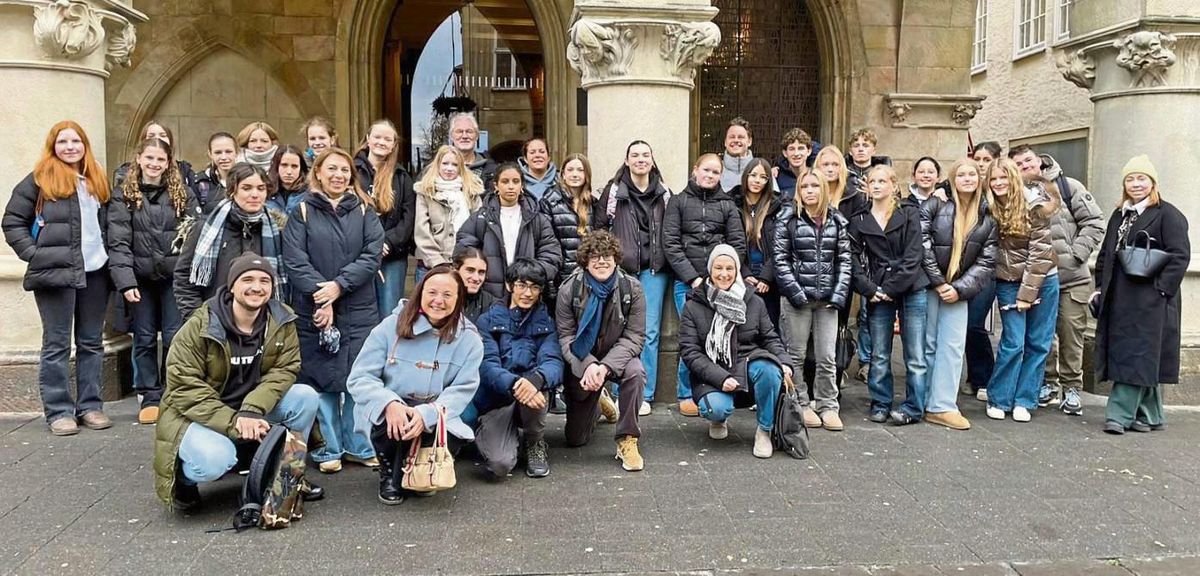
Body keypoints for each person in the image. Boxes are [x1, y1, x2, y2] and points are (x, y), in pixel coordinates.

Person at [152, 254, 322, 510]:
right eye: (248, 279)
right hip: (196, 414)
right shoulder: (199, 326)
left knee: (305, 396)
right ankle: (184, 481)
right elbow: (184, 388)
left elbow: (285, 369)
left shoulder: (281, 320)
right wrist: (234, 423)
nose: (257, 287)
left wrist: (251, 409)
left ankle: (288, 475)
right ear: (232, 286)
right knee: (215, 460)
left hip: (249, 408)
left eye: (265, 280)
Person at [2, 120, 113, 436]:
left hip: (95, 273)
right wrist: (34, 254)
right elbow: (12, 221)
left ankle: (91, 406)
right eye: (62, 141)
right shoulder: (40, 179)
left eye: (75, 141)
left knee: (92, 343)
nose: (69, 147)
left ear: (84, 145)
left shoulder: (96, 179)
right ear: (53, 146)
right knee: (57, 343)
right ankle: (59, 411)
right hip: (55, 274)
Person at [282, 148, 384, 473]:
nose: (339, 175)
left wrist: (339, 286)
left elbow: (372, 256)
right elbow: (295, 260)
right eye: (332, 169)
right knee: (320, 378)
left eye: (344, 170)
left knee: (357, 376)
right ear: (319, 173)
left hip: (359, 306)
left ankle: (358, 445)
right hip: (314, 307)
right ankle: (328, 449)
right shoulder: (301, 211)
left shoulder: (366, 211)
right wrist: (321, 297)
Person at [347, 264, 483, 505]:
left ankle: (421, 467)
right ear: (420, 292)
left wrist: (427, 414)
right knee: (393, 422)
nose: (438, 301)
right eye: (432, 292)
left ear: (459, 298)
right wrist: (389, 403)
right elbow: (360, 377)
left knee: (438, 434)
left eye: (447, 295)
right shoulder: (390, 327)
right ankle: (390, 473)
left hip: (436, 411)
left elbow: (462, 390)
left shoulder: (470, 339)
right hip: (392, 410)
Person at [1093, 155, 1190, 434]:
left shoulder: (1167, 213)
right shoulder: (1119, 214)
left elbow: (1180, 255)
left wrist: (1161, 289)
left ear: (1152, 182)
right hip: (1119, 297)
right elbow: (1106, 255)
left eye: (1141, 178)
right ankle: (1150, 415)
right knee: (1138, 354)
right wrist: (1100, 287)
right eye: (1130, 179)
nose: (1136, 184)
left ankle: (1119, 415)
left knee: (1135, 354)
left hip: (1150, 301)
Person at [108, 137, 201, 425]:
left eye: (160, 159)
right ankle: (149, 394)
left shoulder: (183, 192)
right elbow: (118, 240)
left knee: (176, 335)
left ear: (168, 162)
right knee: (145, 337)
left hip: (174, 278)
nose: (154, 164)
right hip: (140, 279)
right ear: (139, 158)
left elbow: (194, 234)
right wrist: (125, 281)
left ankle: (173, 392)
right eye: (149, 158)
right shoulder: (123, 194)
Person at [1010, 144, 1105, 414]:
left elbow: (1095, 222)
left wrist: (1077, 255)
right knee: (1042, 336)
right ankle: (1047, 382)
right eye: (1017, 163)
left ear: (1038, 160)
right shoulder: (1016, 194)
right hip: (1037, 279)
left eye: (1027, 160)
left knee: (1070, 333)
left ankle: (1072, 387)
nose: (1024, 166)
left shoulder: (1068, 186)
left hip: (1071, 278)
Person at [679, 245, 792, 458]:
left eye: (730, 268)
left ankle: (764, 431)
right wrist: (721, 378)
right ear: (710, 270)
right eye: (718, 268)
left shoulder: (754, 302)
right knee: (716, 408)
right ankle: (718, 418)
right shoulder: (693, 306)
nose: (724, 274)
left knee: (770, 370)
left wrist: (784, 361)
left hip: (747, 363)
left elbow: (770, 337)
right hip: (712, 372)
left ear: (737, 270)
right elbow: (690, 352)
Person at [664, 153, 747, 417]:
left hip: (721, 284)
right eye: (706, 170)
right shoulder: (678, 202)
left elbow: (737, 244)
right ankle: (685, 392)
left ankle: (715, 388)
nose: (710, 176)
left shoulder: (727, 205)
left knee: (719, 336)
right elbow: (671, 243)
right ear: (695, 170)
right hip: (687, 283)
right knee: (692, 338)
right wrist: (694, 278)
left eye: (715, 172)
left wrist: (721, 277)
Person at [555, 231, 646, 470]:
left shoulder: (631, 289)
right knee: (576, 439)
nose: (602, 261)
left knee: (636, 372)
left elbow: (635, 337)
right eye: (595, 256)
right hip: (583, 361)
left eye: (607, 255)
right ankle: (599, 404)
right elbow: (566, 338)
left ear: (616, 258)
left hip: (617, 357)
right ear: (585, 261)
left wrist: (604, 368)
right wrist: (590, 366)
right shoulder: (569, 290)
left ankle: (627, 438)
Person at [463, 259, 563, 478]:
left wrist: (535, 380)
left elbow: (554, 361)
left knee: (537, 387)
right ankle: (491, 434)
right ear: (509, 286)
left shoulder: (546, 321)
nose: (528, 293)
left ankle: (535, 442)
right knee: (500, 465)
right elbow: (487, 365)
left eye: (535, 287)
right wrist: (515, 383)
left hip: (532, 399)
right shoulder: (487, 320)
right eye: (522, 285)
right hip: (497, 401)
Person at [919, 159, 997, 430]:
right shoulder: (935, 205)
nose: (967, 179)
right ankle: (924, 400)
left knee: (952, 347)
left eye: (972, 174)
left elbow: (986, 261)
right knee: (928, 344)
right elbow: (923, 244)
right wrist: (939, 282)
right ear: (952, 179)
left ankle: (943, 405)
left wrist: (959, 288)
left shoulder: (987, 215)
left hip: (958, 291)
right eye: (961, 174)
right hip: (932, 286)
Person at [848, 165, 929, 425]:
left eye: (883, 181)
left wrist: (890, 289)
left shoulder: (908, 213)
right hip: (877, 289)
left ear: (894, 185)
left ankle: (913, 407)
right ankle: (880, 402)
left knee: (915, 354)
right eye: (873, 181)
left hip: (910, 287)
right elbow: (851, 257)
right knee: (879, 353)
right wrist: (870, 289)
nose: (878, 185)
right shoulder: (860, 218)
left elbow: (914, 255)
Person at [594, 141, 670, 416]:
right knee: (616, 330)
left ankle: (644, 393)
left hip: (653, 271)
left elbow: (670, 230)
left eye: (645, 155)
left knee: (649, 331)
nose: (640, 159)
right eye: (635, 155)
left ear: (652, 160)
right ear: (626, 160)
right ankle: (616, 390)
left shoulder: (664, 193)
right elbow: (599, 229)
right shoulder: (614, 191)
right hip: (621, 271)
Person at [773, 169, 852, 431]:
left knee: (827, 356)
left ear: (823, 190)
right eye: (804, 186)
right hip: (798, 299)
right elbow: (780, 260)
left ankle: (828, 404)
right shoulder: (788, 219)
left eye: (814, 186)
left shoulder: (837, 221)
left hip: (827, 300)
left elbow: (845, 261)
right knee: (795, 355)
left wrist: (838, 295)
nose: (809, 191)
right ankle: (801, 403)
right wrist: (796, 293)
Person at [983, 158, 1059, 423]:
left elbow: (1039, 253)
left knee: (1038, 343)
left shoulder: (1034, 205)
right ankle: (999, 397)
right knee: (1013, 342)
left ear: (1013, 178)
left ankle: (1025, 400)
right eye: (993, 179)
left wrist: (1027, 296)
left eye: (1003, 178)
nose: (998, 183)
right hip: (1007, 280)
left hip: (1043, 280)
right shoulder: (989, 206)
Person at [175, 163, 286, 320]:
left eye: (261, 188)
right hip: (214, 319)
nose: (255, 194)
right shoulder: (205, 228)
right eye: (246, 188)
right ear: (233, 190)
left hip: (261, 322)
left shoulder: (276, 231)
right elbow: (184, 277)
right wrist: (197, 318)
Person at [454, 163, 561, 299]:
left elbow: (551, 253)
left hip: (526, 296)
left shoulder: (537, 219)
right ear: (496, 186)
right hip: (488, 295)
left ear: (522, 186)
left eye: (516, 181)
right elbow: (463, 249)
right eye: (505, 181)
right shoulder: (481, 218)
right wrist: (479, 273)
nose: (511, 186)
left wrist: (531, 275)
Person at [816, 145, 872, 380]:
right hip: (811, 271)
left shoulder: (855, 196)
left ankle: (834, 381)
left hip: (841, 271)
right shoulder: (809, 189)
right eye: (825, 164)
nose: (830, 169)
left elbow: (859, 235)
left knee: (837, 328)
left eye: (834, 164)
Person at [354, 119, 417, 315]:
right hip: (358, 253)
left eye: (387, 139)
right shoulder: (352, 171)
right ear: (368, 139)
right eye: (377, 137)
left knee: (390, 312)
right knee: (360, 311)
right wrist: (370, 244)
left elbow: (408, 218)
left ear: (393, 145)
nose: (381, 142)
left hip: (391, 256)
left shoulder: (401, 176)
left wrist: (386, 242)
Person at [965, 142, 1004, 401]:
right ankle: (975, 376)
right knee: (965, 324)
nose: (980, 163)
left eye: (986, 158)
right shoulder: (964, 188)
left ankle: (983, 377)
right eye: (977, 158)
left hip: (990, 267)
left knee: (974, 323)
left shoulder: (999, 192)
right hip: (964, 265)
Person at [414, 146, 483, 277]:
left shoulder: (472, 193)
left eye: (454, 165)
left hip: (463, 264)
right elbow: (421, 229)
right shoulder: (425, 191)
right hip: (429, 266)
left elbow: (478, 228)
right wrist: (437, 262)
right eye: (445, 163)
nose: (449, 168)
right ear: (438, 165)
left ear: (460, 168)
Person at [730, 157, 782, 324]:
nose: (757, 181)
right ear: (745, 176)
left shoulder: (778, 206)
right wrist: (744, 273)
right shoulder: (732, 204)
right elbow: (728, 241)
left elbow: (781, 245)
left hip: (770, 277)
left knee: (770, 326)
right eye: (753, 175)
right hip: (742, 275)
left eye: (763, 177)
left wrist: (766, 277)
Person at [540, 153, 594, 288]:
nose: (575, 174)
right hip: (561, 276)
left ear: (586, 174)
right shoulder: (549, 202)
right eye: (570, 170)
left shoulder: (594, 204)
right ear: (563, 174)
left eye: (580, 170)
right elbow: (547, 243)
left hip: (589, 274)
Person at [112, 121, 197, 193]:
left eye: (163, 135)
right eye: (151, 136)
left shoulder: (184, 171)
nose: (157, 139)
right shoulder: (124, 172)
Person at [448, 112, 497, 191]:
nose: (464, 136)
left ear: (477, 136)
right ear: (451, 136)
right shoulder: (436, 168)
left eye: (469, 131)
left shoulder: (493, 170)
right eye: (459, 131)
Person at [844, 128, 893, 201]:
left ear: (874, 151)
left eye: (865, 145)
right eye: (856, 146)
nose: (860, 149)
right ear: (850, 151)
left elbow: (895, 201)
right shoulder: (842, 173)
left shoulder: (886, 174)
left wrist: (874, 195)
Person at [194, 132, 238, 212]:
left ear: (236, 152)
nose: (224, 157)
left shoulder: (248, 180)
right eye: (218, 152)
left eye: (228, 151)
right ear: (210, 154)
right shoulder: (200, 183)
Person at [453, 246, 496, 323]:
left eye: (481, 272)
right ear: (456, 271)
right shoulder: (442, 298)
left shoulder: (491, 304)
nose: (476, 278)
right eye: (470, 270)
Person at [267, 145, 308, 216]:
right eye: (284, 165)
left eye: (294, 166)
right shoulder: (265, 191)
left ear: (301, 168)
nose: (289, 172)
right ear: (276, 166)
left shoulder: (311, 194)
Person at [719, 117, 756, 192]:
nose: (736, 140)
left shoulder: (763, 171)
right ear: (725, 142)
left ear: (749, 141)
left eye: (741, 137)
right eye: (732, 137)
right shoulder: (714, 171)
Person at [774, 128, 814, 194]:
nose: (796, 154)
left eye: (801, 148)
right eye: (791, 149)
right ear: (785, 153)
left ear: (809, 151)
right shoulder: (776, 177)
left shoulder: (816, 175)